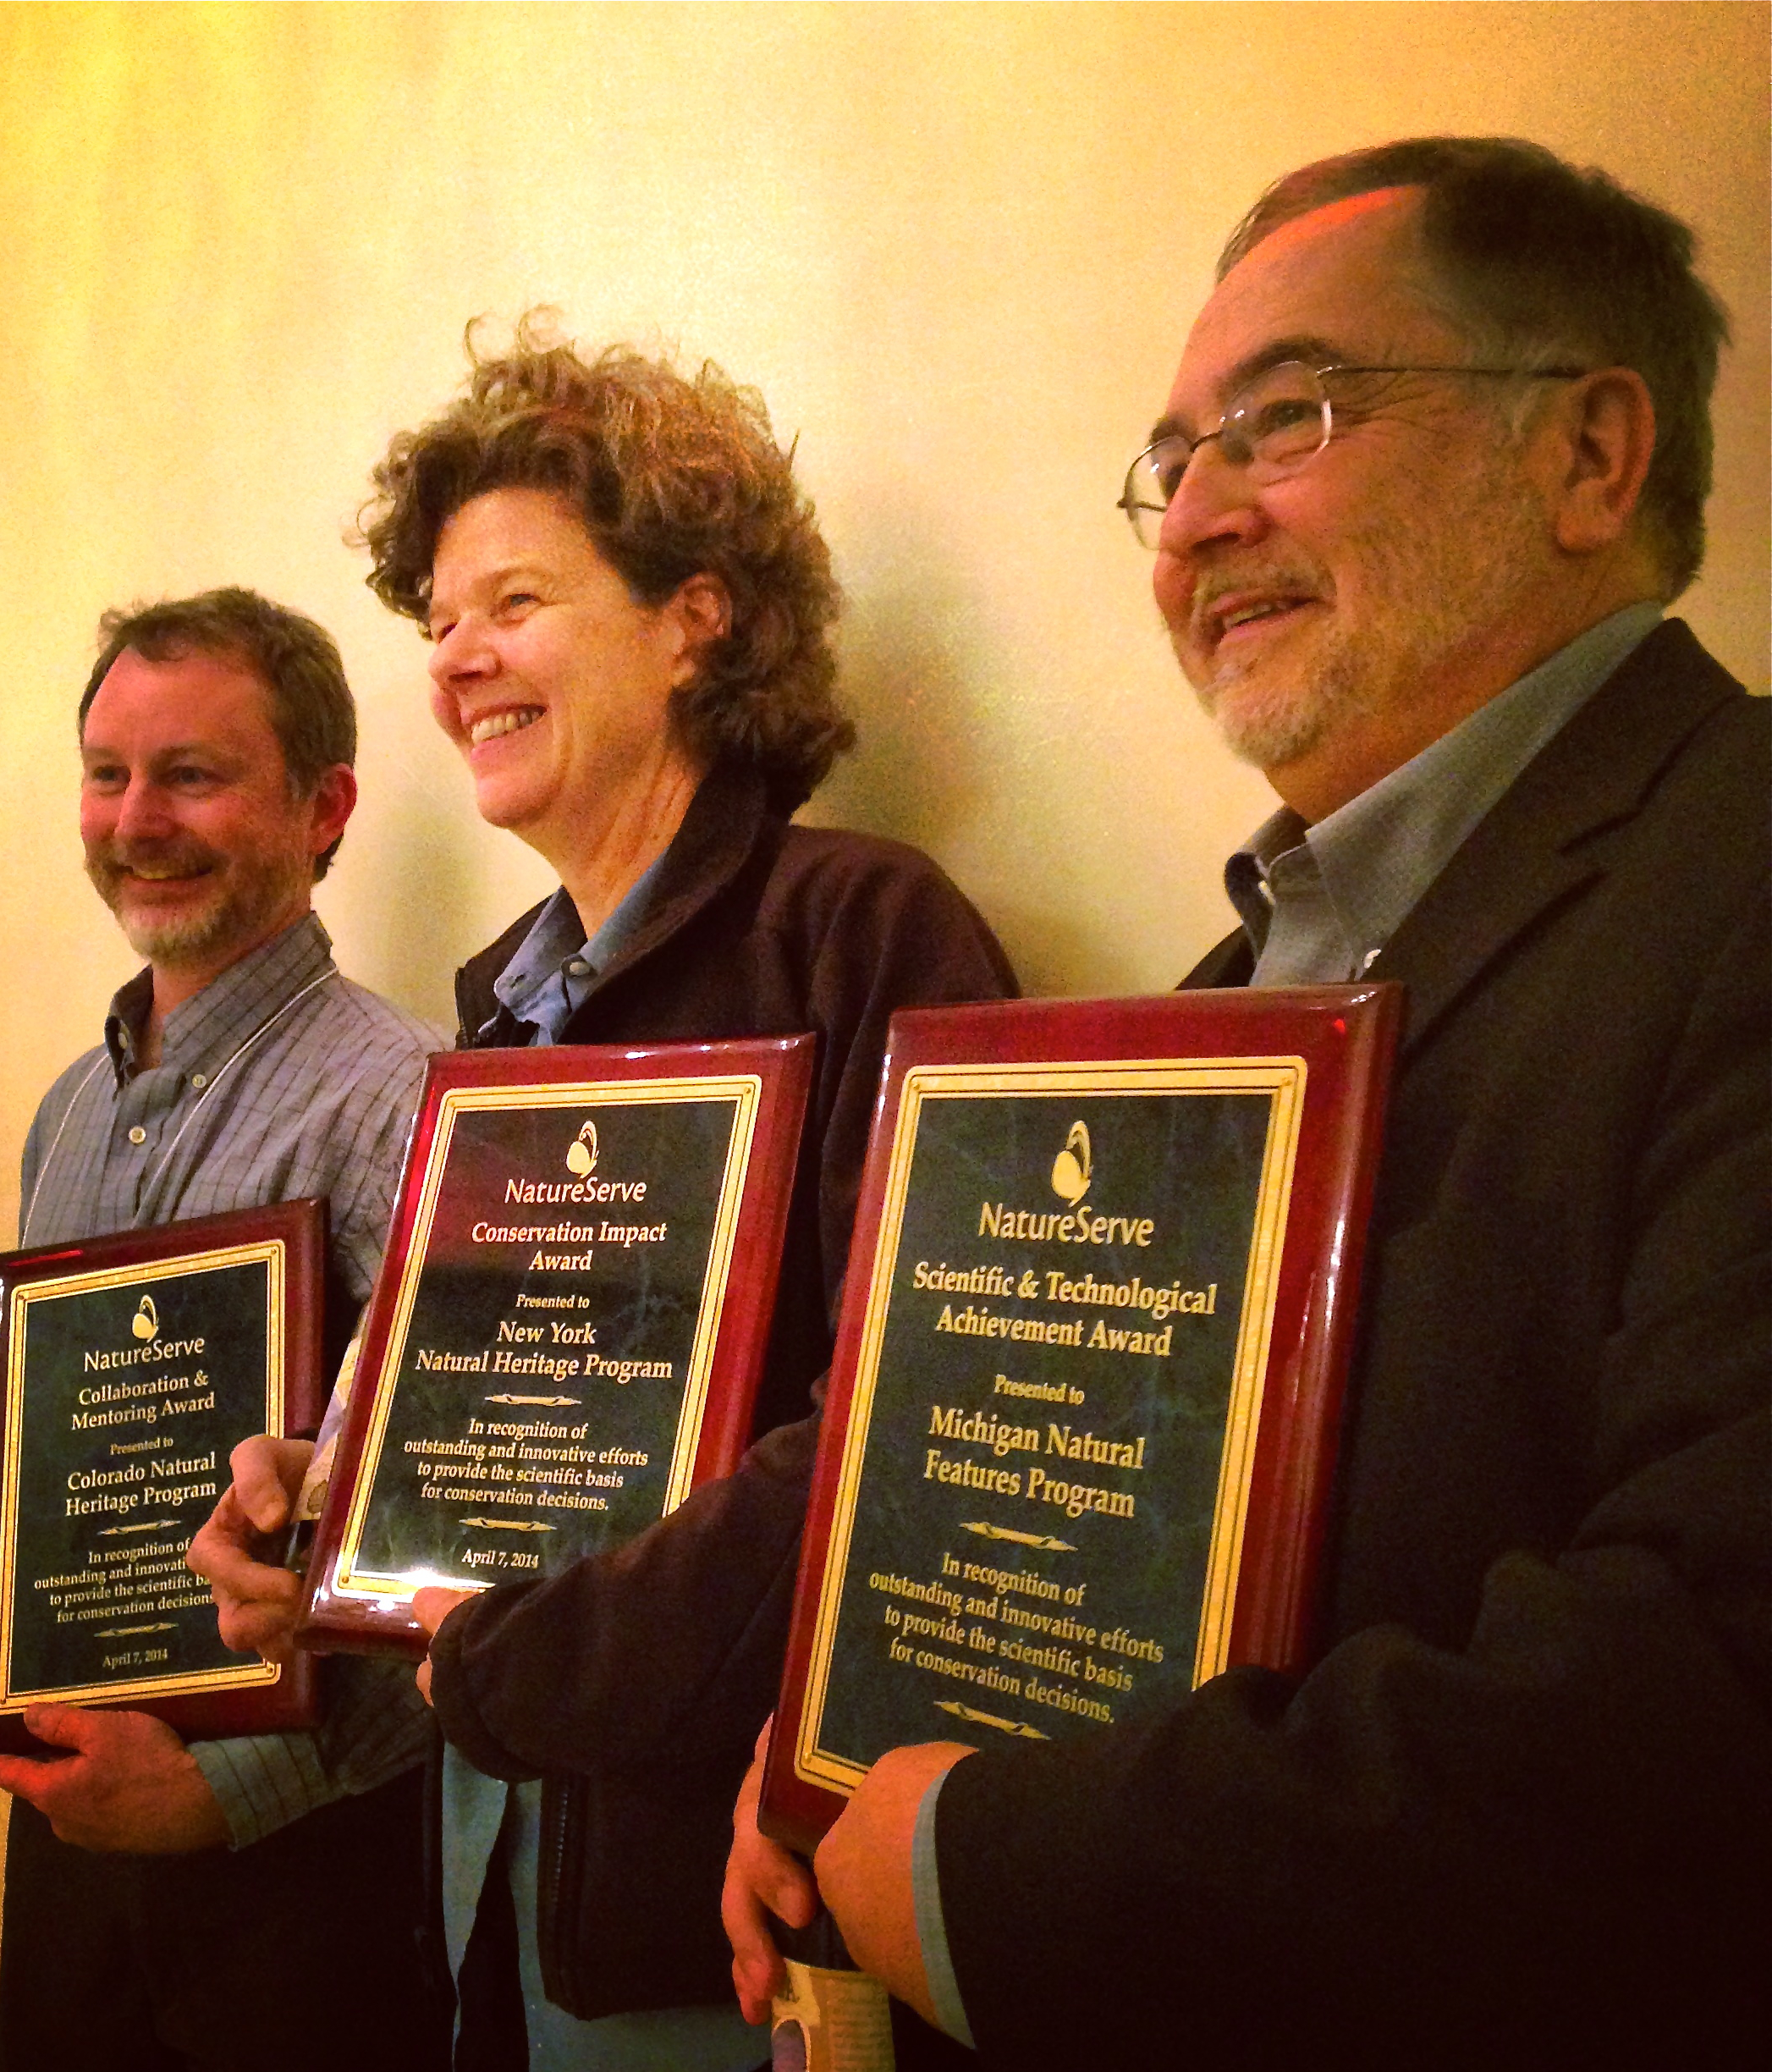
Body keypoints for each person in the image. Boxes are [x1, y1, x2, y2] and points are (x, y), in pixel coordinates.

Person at [724, 138, 1769, 2064]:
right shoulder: (1226, 1000)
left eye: (1286, 418)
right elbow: (1039, 1520)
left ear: (1588, 457)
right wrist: (833, 1754)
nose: (1189, 524)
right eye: (1170, 459)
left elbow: (1709, 1690)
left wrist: (979, 1864)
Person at [191, 321, 1017, 2069]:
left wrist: (533, 1661)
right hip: (495, 1861)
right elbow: (516, 1432)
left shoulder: (861, 931)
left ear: (694, 616)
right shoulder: (503, 1003)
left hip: (723, 1907)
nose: (456, 661)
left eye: (511, 603)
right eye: (437, 624)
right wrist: (337, 1520)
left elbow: (926, 1425)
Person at [0, 588, 448, 2072]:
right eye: (108, 773)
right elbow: (88, 1466)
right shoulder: (74, 1107)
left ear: (325, 808)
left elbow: (460, 1539)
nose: (137, 819)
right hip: (65, 1818)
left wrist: (234, 1790)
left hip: (300, 1874)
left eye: (192, 773)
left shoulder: (408, 1105)